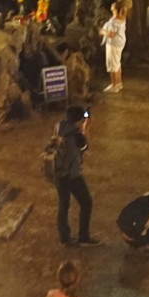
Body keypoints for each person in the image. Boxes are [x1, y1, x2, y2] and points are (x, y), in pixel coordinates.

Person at [54, 105, 100, 246]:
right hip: (72, 175)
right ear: (79, 119)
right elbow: (85, 146)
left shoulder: (59, 126)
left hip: (58, 172)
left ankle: (64, 237)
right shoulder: (76, 135)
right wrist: (85, 127)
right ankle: (84, 237)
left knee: (63, 204)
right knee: (86, 202)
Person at [101, 2, 127, 92]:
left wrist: (102, 32)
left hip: (113, 44)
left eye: (113, 6)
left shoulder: (114, 21)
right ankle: (119, 83)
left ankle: (114, 85)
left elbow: (111, 34)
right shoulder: (122, 18)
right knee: (117, 63)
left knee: (112, 64)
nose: (111, 6)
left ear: (115, 9)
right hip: (119, 43)